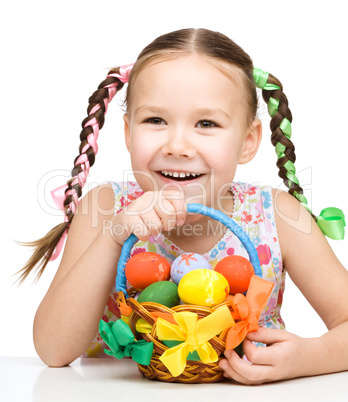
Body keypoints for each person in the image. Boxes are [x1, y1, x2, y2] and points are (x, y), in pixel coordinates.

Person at [18, 28, 348, 385]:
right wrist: (114, 236)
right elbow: (52, 350)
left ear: (248, 140)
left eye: (206, 123)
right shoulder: (104, 208)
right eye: (155, 120)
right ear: (128, 132)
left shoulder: (279, 215)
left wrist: (308, 357)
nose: (178, 145)